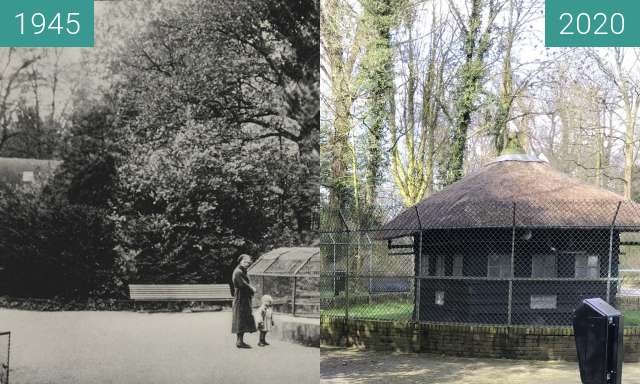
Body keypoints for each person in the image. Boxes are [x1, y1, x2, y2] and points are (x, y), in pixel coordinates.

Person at [231, 254, 257, 348]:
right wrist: (252, 289)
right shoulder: (238, 272)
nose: (247, 264)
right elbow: (242, 284)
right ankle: (239, 341)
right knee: (240, 318)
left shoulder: (242, 271)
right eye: (245, 262)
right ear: (240, 261)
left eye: (248, 262)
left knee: (242, 318)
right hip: (240, 298)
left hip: (244, 297)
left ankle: (240, 341)